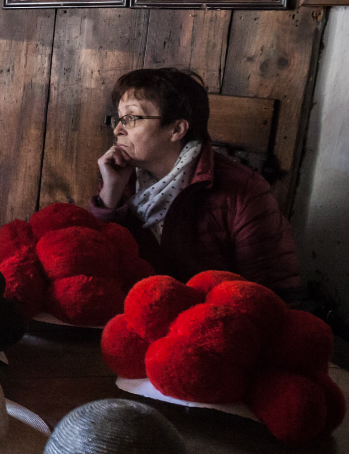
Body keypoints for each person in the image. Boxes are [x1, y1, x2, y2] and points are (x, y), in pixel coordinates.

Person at [92, 68, 302, 296]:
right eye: (119, 118)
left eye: (131, 118)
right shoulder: (121, 176)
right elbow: (93, 265)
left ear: (176, 129)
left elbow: (272, 293)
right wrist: (110, 196)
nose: (117, 129)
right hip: (132, 317)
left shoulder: (243, 190)